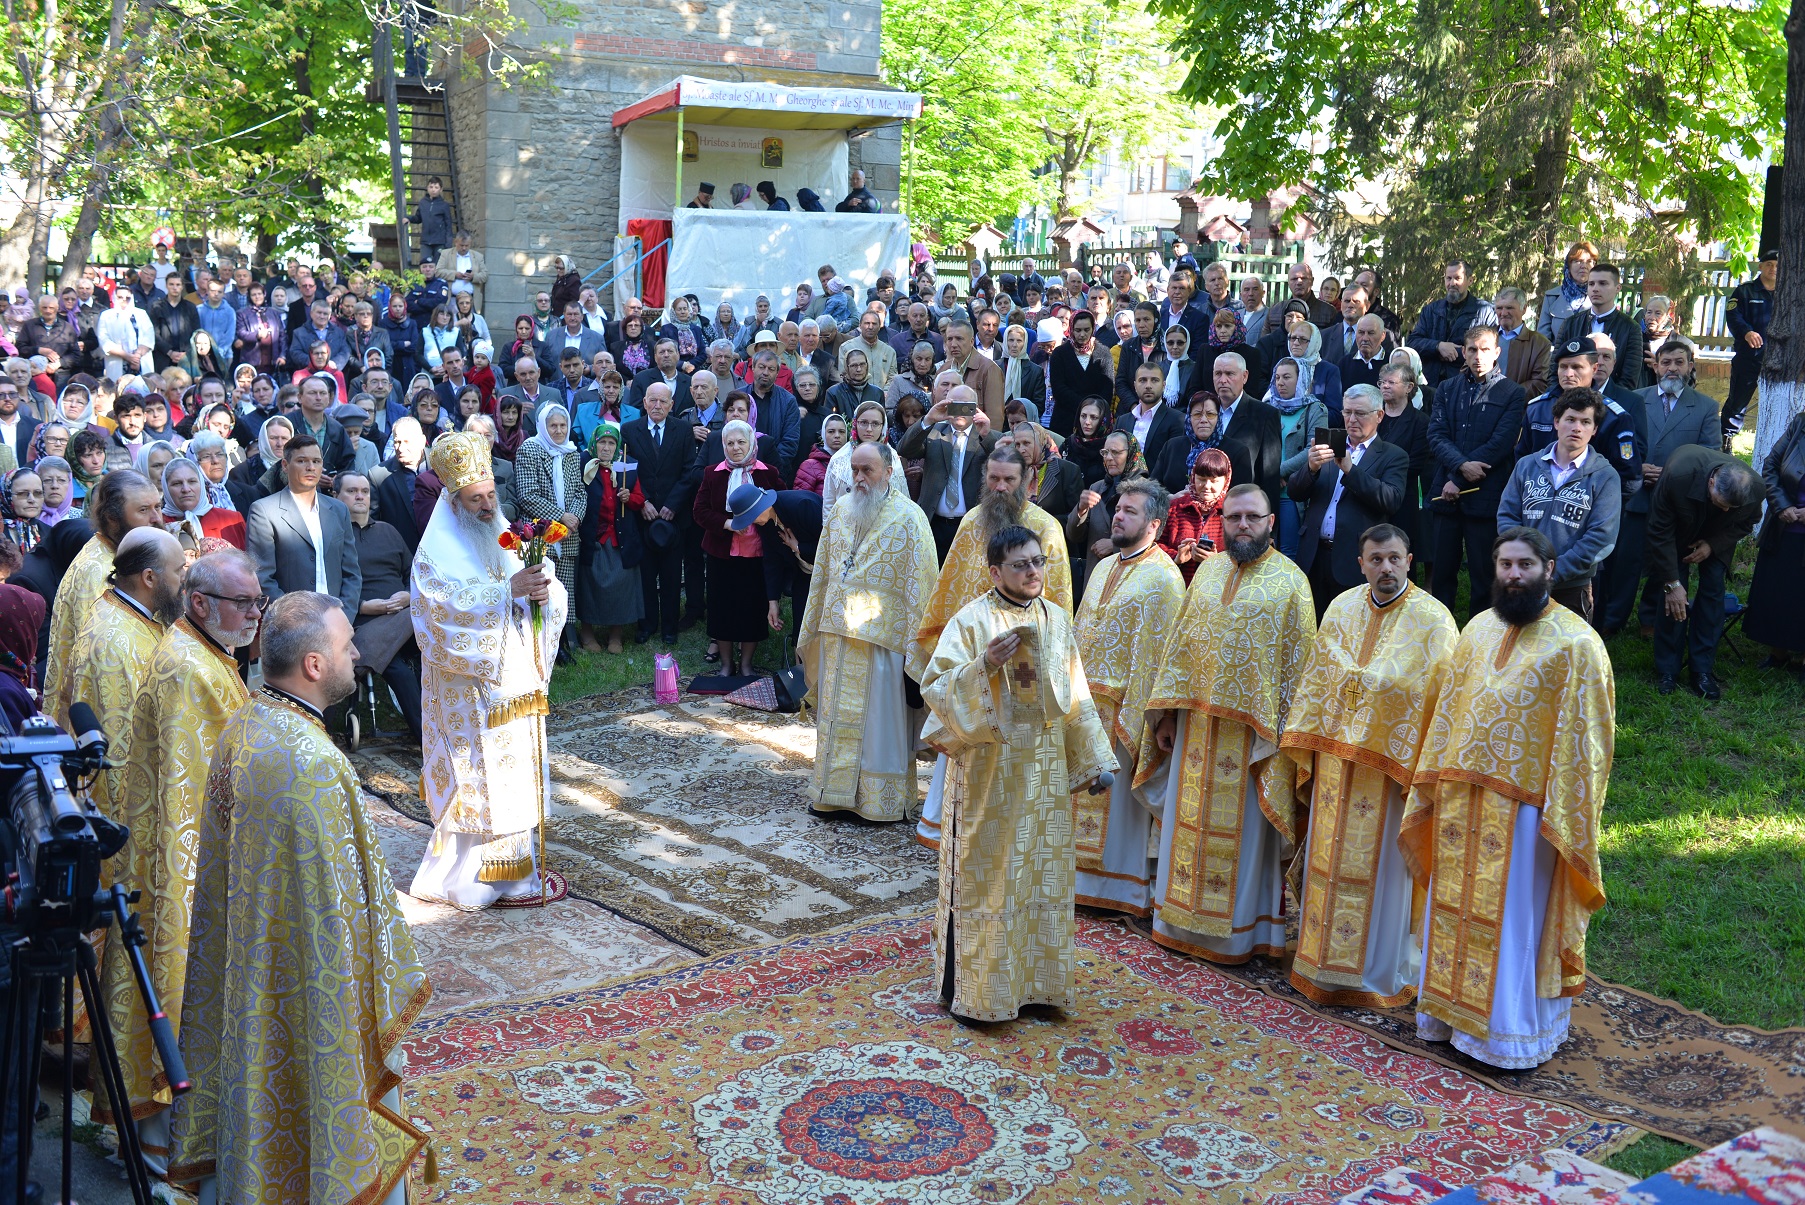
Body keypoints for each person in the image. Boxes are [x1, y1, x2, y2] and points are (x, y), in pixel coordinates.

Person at [168, 592, 430, 1204]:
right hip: (305, 984)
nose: (358, 652)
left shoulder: (250, 721)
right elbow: (337, 910)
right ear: (314, 665)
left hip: (252, 967)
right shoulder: (311, 761)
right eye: (346, 645)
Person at [1403, 527, 1614, 1070]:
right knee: (1452, 909)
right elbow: (1448, 709)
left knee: (1514, 918)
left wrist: (1562, 812)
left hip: (1527, 812)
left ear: (1549, 568)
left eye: (1525, 565)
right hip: (1461, 795)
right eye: (1505, 565)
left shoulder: (1577, 644)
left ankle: (1508, 1034)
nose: (1514, 575)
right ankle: (1448, 1016)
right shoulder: (1477, 629)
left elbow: (1586, 742)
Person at [102, 548, 257, 1172]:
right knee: (177, 990)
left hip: (181, 850)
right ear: (200, 604)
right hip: (180, 865)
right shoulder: (187, 670)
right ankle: (164, 1142)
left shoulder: (204, 651)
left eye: (257, 601)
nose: (254, 615)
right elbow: (191, 796)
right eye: (242, 603)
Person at [919, 524, 1113, 1022]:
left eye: (1038, 561)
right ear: (995, 571)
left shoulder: (1055, 619)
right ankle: (979, 993)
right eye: (1021, 564)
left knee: (1039, 877)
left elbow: (1075, 692)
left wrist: (1094, 757)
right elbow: (935, 689)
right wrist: (982, 664)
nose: (1033, 572)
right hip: (990, 773)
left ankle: (1038, 988)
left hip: (1043, 775)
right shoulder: (972, 620)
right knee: (991, 880)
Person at [1280, 524, 1456, 1006]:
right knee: (1328, 860)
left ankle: (1378, 970)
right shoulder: (1341, 607)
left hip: (1391, 776)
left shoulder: (1434, 621)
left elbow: (1438, 704)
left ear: (1409, 559)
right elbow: (1319, 679)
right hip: (1336, 765)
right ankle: (1318, 961)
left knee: (1380, 871)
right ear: (1360, 564)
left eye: (1394, 558)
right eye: (1375, 559)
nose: (1385, 568)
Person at [1140, 484, 1315, 963]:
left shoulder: (1292, 583)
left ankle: (1242, 934)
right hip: (1195, 728)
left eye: (1252, 517)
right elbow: (1181, 648)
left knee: (1244, 843)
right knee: (1187, 828)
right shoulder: (1209, 572)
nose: (1242, 525)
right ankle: (1177, 919)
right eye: (1234, 516)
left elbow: (1298, 671)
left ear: (1270, 523)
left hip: (1252, 743)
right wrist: (1165, 717)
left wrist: (1283, 742)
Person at [410, 431, 566, 907]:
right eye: (475, 499)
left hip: (514, 684)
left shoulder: (502, 536)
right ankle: (470, 880)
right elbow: (437, 615)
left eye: (491, 496)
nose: (485, 505)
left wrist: (545, 591)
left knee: (516, 774)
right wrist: (506, 594)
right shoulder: (434, 554)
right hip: (469, 693)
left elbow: (533, 590)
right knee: (477, 780)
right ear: (454, 501)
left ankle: (517, 875)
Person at [799, 441, 938, 821]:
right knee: (834, 719)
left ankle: (880, 801)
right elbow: (824, 575)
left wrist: (915, 647)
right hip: (838, 636)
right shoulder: (841, 510)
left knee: (879, 725)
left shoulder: (911, 518)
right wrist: (815, 621)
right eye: (855, 471)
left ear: (889, 472)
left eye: (868, 471)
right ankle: (832, 794)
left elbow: (924, 585)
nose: (859, 479)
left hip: (884, 642)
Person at [1071, 478, 1184, 916]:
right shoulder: (1103, 566)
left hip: (1125, 711)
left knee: (1117, 812)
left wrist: (1153, 718)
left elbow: (1161, 658)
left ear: (1154, 523)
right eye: (1118, 509)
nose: (1117, 515)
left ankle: (1120, 889)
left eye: (1129, 511)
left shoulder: (1164, 579)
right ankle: (1076, 881)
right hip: (1087, 706)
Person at [1598, 337, 1720, 637]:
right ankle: (1611, 620)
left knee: (1667, 564)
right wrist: (1636, 468)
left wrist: (1670, 475)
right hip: (1635, 496)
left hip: (1678, 502)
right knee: (1625, 562)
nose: (1672, 368)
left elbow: (1711, 455)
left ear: (1690, 367)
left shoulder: (1705, 407)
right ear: (1655, 367)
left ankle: (1651, 620)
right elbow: (1615, 445)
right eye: (1666, 362)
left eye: (1679, 362)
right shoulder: (1634, 399)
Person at [43, 468, 161, 727]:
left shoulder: (121, 555)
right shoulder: (100, 573)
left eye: (158, 507)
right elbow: (104, 663)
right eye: (143, 510)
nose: (156, 518)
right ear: (113, 518)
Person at [1644, 445, 1763, 699]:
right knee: (1674, 600)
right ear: (1711, 482)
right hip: (1678, 531)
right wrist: (1672, 583)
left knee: (1713, 593)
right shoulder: (1677, 477)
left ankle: (1702, 670)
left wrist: (1714, 545)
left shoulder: (1755, 489)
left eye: (1731, 507)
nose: (1726, 510)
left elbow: (1748, 521)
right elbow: (1659, 530)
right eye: (1722, 504)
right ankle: (1668, 670)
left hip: (1718, 536)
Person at [1497, 388, 1622, 621]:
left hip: (1573, 588)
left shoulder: (1605, 477)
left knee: (1567, 654)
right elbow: (1507, 516)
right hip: (1522, 581)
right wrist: (1526, 565)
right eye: (1570, 419)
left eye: (1585, 422)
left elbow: (1601, 538)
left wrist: (1552, 573)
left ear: (1594, 430)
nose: (1576, 428)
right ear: (1556, 422)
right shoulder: (1526, 466)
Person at [1427, 323, 1524, 620]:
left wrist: (1457, 478)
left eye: (1484, 350)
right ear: (1463, 352)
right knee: (1441, 572)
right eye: (1471, 350)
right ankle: (1439, 634)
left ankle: (1479, 637)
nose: (1478, 356)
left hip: (1486, 496)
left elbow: (1501, 444)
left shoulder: (1513, 393)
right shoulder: (1447, 388)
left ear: (1496, 352)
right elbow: (1436, 435)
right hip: (1446, 497)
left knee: (1483, 576)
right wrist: (1459, 468)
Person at [1289, 385, 1408, 618]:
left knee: (1349, 630)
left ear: (1379, 415)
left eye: (1360, 413)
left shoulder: (1393, 455)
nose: (1352, 419)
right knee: (1310, 627)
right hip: (1313, 555)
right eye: (1347, 412)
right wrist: (1311, 468)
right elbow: (1295, 492)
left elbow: (1391, 500)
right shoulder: (1330, 443)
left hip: (1354, 559)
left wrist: (1351, 471)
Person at [246, 435, 362, 623]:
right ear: (285, 465)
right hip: (291, 626)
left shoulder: (339, 509)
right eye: (302, 461)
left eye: (316, 461)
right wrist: (296, 620)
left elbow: (351, 572)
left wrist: (344, 616)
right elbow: (262, 577)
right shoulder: (264, 511)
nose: (310, 467)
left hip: (337, 621)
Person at [623, 383, 696, 646]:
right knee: (645, 576)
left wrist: (672, 505)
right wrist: (642, 503)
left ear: (671, 404)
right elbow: (626, 472)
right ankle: (647, 625)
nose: (657, 406)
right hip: (642, 515)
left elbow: (690, 471)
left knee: (672, 576)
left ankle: (669, 628)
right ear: (643, 402)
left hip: (673, 517)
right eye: (652, 400)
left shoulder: (684, 431)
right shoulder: (629, 430)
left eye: (663, 402)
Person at [899, 387, 1001, 561]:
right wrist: (928, 420)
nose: (959, 411)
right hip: (934, 524)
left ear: (975, 408)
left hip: (971, 525)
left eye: (965, 406)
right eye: (953, 405)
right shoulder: (934, 431)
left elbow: (1004, 466)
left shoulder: (988, 436)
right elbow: (905, 449)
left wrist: (986, 434)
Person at [513, 402, 586, 639]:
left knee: (565, 587)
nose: (558, 430)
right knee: (543, 586)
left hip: (568, 534)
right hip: (540, 533)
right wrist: (560, 517)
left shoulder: (572, 452)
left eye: (563, 425)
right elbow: (527, 494)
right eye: (552, 425)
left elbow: (580, 492)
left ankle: (565, 639)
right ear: (543, 426)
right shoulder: (530, 449)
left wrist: (573, 518)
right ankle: (542, 637)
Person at [577, 423, 644, 654]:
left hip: (619, 537)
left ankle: (616, 635)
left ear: (618, 447)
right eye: (602, 442)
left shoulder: (627, 467)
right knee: (589, 584)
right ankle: (587, 633)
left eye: (611, 443)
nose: (606, 447)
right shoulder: (582, 464)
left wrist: (629, 497)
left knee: (620, 583)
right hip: (592, 536)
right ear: (594, 444)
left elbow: (639, 499)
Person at [1747, 407, 1805, 671]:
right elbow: (1770, 465)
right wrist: (1781, 506)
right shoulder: (1800, 422)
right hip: (1785, 526)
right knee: (1779, 591)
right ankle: (1778, 654)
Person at [1067, 429, 1147, 588]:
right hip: (1096, 580)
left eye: (1116, 452)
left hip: (1130, 581)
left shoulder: (1146, 491)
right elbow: (1073, 535)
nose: (1109, 458)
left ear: (1131, 453)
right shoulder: (1097, 487)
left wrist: (1114, 545)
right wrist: (1081, 509)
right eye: (1105, 452)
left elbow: (1153, 537)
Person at [1406, 261, 1496, 390]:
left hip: (1467, 385)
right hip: (1430, 385)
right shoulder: (1430, 310)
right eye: (1448, 278)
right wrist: (1438, 346)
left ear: (1470, 280)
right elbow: (1413, 342)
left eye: (1458, 278)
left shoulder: (1484, 311)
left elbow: (1487, 351)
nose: (1452, 283)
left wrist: (1455, 352)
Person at [1556, 262, 1643, 392]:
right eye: (1591, 284)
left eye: (1603, 283)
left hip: (1611, 403)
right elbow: (1555, 367)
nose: (1595, 288)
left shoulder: (1631, 328)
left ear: (1617, 288)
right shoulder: (1570, 324)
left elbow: (1629, 378)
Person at [1157, 446, 1233, 586]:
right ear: (1193, 477)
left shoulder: (1232, 512)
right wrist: (1176, 557)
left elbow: (1241, 554)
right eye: (1201, 479)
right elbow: (1155, 545)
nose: (1206, 486)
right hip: (1178, 588)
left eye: (1214, 481)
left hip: (1217, 591)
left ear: (1225, 480)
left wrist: (1215, 560)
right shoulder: (1175, 508)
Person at [1724, 249, 1777, 443]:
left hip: (1780, 360)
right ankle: (1726, 440)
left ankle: (1773, 442)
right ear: (1760, 266)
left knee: (1777, 403)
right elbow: (1733, 315)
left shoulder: (1790, 293)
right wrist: (1747, 332)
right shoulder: (1745, 291)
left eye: (1778, 265)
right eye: (1769, 264)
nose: (1773, 268)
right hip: (1750, 358)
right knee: (1737, 403)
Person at [1047, 310, 1115, 435]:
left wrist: (1093, 410)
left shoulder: (1104, 352)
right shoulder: (1060, 353)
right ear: (1071, 329)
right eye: (1078, 330)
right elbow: (1058, 388)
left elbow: (1107, 387)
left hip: (1095, 421)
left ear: (1093, 329)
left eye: (1086, 329)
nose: (1082, 334)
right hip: (1065, 420)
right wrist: (1084, 406)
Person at [162, 455, 247, 552]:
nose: (186, 489)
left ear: (202, 484)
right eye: (177, 483)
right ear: (166, 488)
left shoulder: (232, 520)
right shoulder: (158, 525)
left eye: (192, 481)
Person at [1119, 358, 1185, 469]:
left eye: (1154, 380)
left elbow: (1173, 464)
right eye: (1142, 380)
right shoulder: (1122, 421)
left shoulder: (1177, 420)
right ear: (1135, 386)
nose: (1148, 385)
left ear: (1164, 385)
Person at [1538, 240, 1599, 340]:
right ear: (1568, 265)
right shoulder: (1552, 297)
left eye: (1589, 261)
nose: (1583, 266)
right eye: (1578, 261)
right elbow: (1543, 340)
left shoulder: (1599, 296)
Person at [411, 175, 454, 260]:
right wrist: (408, 218)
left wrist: (448, 244)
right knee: (425, 265)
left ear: (441, 189)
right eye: (431, 187)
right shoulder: (423, 203)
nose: (433, 189)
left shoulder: (444, 205)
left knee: (437, 267)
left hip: (439, 241)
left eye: (436, 187)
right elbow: (418, 218)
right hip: (426, 241)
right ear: (427, 188)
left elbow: (448, 225)